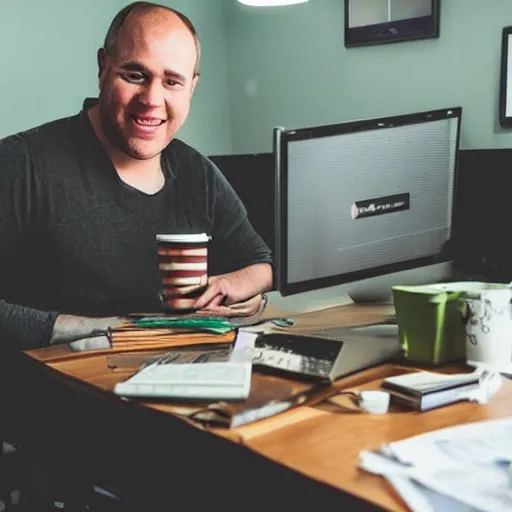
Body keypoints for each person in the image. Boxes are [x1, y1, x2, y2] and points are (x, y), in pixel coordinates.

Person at [0, 2, 273, 351]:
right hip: (55, 391)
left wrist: (247, 293)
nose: (152, 99)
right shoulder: (21, 163)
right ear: (103, 67)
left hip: (176, 379)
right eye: (135, 75)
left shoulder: (197, 173)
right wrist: (89, 329)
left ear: (192, 87)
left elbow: (260, 263)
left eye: (172, 82)